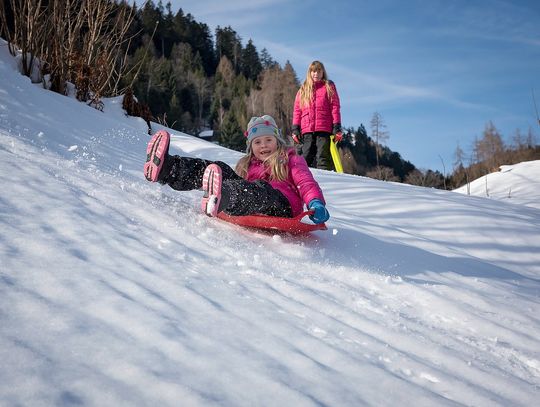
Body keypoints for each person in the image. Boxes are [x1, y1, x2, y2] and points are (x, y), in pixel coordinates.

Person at [143, 115, 330, 224]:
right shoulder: (248, 164)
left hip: (283, 205)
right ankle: (169, 168)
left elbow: (305, 182)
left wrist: (315, 202)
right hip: (253, 198)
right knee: (219, 168)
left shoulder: (289, 158)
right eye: (257, 142)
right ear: (251, 146)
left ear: (278, 141)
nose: (263, 146)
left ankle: (222, 196)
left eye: (268, 140)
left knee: (259, 190)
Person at [291, 60, 342, 170]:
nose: (316, 74)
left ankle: (324, 181)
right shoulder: (303, 89)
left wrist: (337, 126)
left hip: (324, 129)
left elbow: (335, 107)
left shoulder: (328, 86)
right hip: (306, 130)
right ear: (309, 73)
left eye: (319, 71)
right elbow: (297, 110)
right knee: (305, 157)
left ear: (323, 72)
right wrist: (295, 129)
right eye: (313, 71)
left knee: (322, 158)